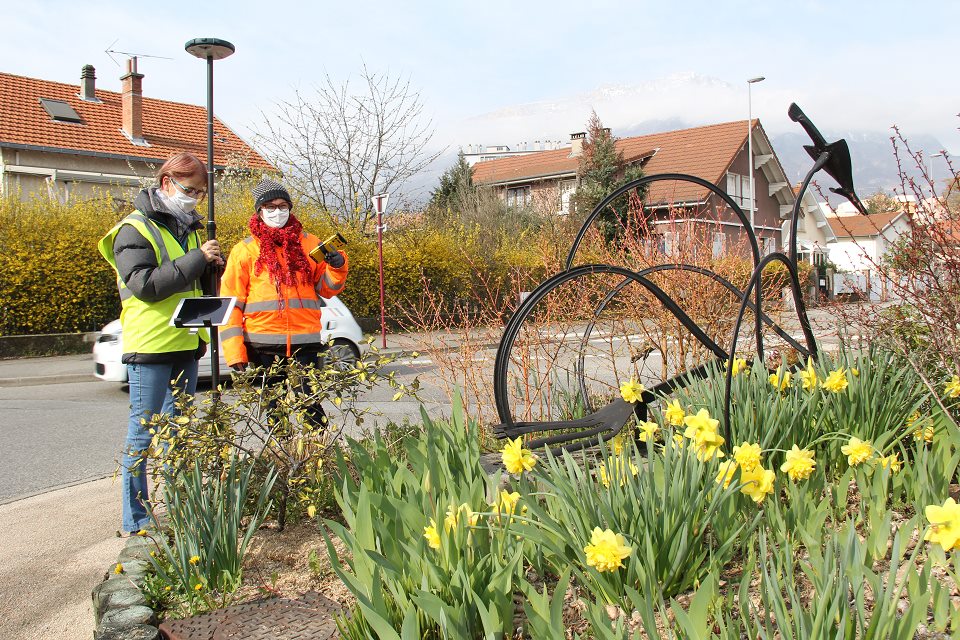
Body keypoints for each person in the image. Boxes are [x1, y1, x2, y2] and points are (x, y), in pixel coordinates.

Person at [98, 152, 223, 533]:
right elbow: (147, 286)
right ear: (166, 183)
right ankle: (135, 520)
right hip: (150, 344)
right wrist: (196, 259)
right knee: (144, 430)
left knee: (178, 428)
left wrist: (211, 268)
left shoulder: (189, 229)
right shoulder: (134, 229)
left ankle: (180, 508)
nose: (196, 199)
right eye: (190, 190)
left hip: (184, 340)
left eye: (201, 193)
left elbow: (189, 282)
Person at [219, 178, 348, 427]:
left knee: (312, 409)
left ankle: (317, 458)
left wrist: (338, 266)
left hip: (305, 342)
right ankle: (281, 460)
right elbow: (231, 304)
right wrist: (235, 351)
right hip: (262, 344)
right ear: (259, 210)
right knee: (274, 414)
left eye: (282, 205)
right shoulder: (244, 250)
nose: (277, 211)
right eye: (270, 206)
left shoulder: (310, 243)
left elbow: (327, 289)